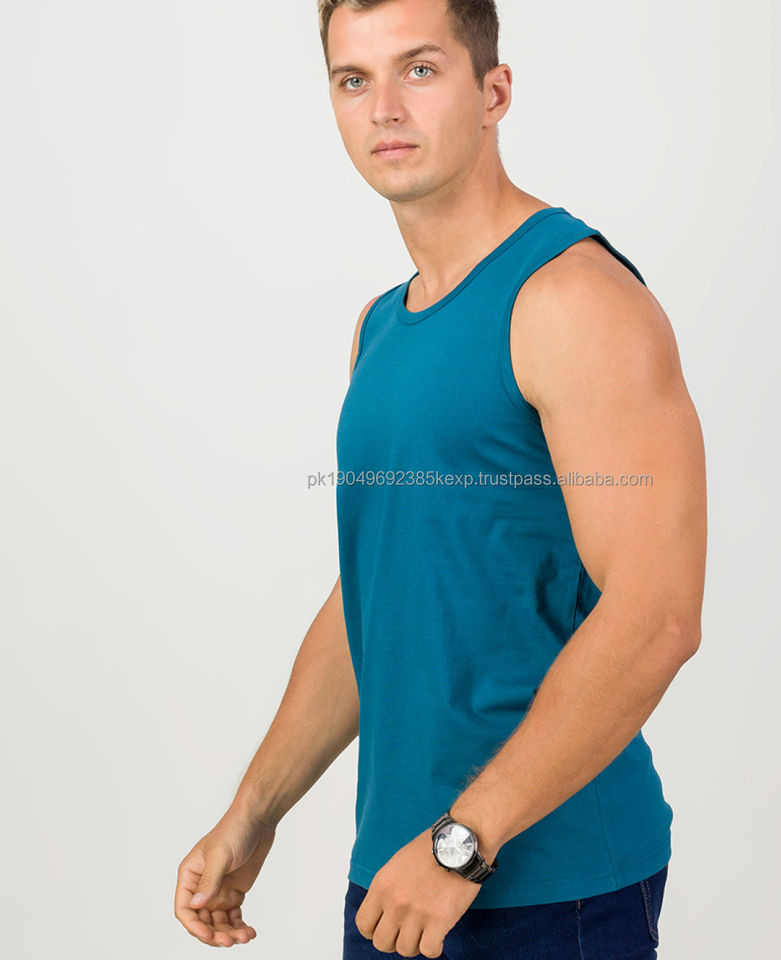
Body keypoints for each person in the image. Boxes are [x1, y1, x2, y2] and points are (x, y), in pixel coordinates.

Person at [174, 0, 707, 956]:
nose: (384, 107)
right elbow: (376, 593)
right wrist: (255, 808)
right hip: (395, 879)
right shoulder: (382, 326)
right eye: (354, 79)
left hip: (547, 887)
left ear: (493, 91)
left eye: (419, 69)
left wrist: (463, 843)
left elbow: (658, 615)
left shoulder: (574, 301)